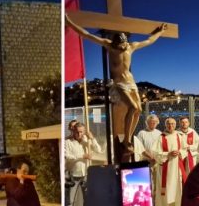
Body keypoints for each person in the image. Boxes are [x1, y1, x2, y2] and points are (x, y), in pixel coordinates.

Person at [64, 15, 168, 151]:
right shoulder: (109, 45)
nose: (124, 47)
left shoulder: (131, 46)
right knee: (132, 107)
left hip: (131, 82)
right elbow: (86, 34)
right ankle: (126, 139)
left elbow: (149, 40)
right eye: (121, 45)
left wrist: (159, 32)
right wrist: (69, 22)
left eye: (125, 44)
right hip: (119, 84)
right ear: (115, 43)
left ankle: (129, 136)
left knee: (139, 110)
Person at [64, 123, 102, 206]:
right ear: (73, 131)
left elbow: (99, 150)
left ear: (84, 131)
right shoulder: (67, 142)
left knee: (88, 199)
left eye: (81, 132)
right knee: (70, 202)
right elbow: (67, 156)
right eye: (77, 132)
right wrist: (82, 156)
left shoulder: (87, 141)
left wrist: (92, 139)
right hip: (73, 175)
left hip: (86, 174)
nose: (79, 134)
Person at [154, 117, 188, 206]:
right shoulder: (161, 137)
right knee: (166, 188)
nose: (170, 126)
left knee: (177, 188)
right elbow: (155, 153)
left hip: (176, 167)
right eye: (168, 124)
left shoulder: (178, 136)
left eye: (173, 124)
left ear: (175, 125)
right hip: (166, 167)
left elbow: (185, 149)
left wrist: (179, 152)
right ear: (165, 125)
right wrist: (168, 154)